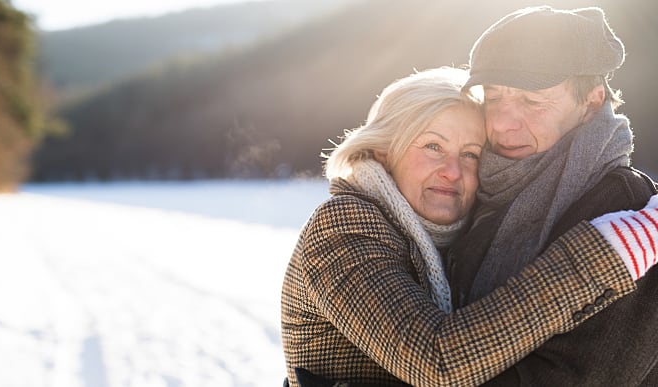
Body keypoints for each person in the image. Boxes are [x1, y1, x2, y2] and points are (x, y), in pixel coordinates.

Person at [280, 67, 658, 387]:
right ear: (383, 149)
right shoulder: (343, 228)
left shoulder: (455, 239)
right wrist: (610, 251)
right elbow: (436, 359)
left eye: (471, 154)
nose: (453, 171)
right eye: (432, 146)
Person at [447, 6, 658, 385]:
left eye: (532, 100)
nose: (501, 123)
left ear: (591, 101)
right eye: (493, 97)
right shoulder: (474, 188)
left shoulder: (626, 209)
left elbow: (574, 377)